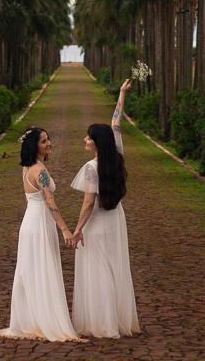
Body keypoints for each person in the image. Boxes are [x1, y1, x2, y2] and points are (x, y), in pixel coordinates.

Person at [0, 126, 84, 342]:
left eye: (48, 139)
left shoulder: (28, 168)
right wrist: (64, 229)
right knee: (43, 269)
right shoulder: (41, 171)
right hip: (39, 224)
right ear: (34, 145)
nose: (49, 143)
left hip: (29, 221)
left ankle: (33, 320)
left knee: (32, 271)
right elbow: (49, 202)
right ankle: (47, 323)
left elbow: (29, 199)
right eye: (43, 141)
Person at [70, 79, 140, 338]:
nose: (86, 139)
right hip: (116, 219)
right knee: (113, 267)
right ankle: (115, 319)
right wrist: (121, 94)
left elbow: (88, 203)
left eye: (89, 137)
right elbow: (116, 125)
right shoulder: (117, 157)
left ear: (97, 143)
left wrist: (77, 230)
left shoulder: (92, 168)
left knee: (98, 271)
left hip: (97, 223)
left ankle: (104, 323)